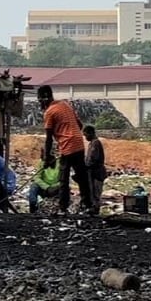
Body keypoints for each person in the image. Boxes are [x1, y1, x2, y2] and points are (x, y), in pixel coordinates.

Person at [38, 85, 93, 215]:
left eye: (40, 100)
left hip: (68, 146)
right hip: (78, 143)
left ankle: (63, 208)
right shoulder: (65, 105)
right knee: (82, 177)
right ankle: (88, 206)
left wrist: (46, 158)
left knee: (63, 179)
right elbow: (79, 125)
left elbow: (48, 138)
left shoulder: (49, 112)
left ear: (45, 98)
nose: (40, 103)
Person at [84, 125, 107, 215]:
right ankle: (94, 208)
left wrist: (86, 166)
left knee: (96, 192)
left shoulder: (95, 143)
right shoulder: (92, 143)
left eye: (86, 135)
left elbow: (93, 158)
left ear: (91, 133)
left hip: (97, 172)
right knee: (93, 191)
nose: (85, 137)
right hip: (93, 172)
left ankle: (96, 208)